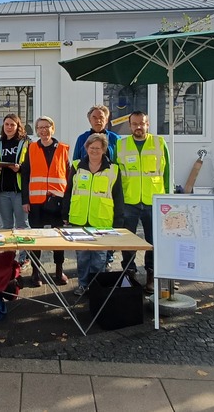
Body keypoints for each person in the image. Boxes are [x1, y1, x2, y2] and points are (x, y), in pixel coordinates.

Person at [116, 111, 170, 295]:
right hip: (129, 200)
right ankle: (129, 273)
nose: (138, 127)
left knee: (153, 241)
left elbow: (168, 172)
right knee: (128, 241)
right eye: (135, 124)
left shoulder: (159, 143)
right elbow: (116, 175)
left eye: (142, 123)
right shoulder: (121, 145)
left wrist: (167, 198)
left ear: (148, 124)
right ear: (129, 125)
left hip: (153, 200)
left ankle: (151, 276)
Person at [63, 133, 124, 296]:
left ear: (104, 149)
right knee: (82, 256)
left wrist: (118, 220)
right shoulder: (76, 165)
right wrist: (65, 214)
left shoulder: (114, 169)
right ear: (86, 148)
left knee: (99, 258)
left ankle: (98, 287)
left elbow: (118, 197)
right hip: (79, 218)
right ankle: (83, 285)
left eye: (98, 148)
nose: (94, 151)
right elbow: (68, 191)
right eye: (91, 147)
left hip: (102, 220)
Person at [21, 116, 70, 286]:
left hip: (57, 202)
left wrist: (67, 203)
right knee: (36, 239)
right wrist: (25, 200)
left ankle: (59, 270)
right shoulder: (32, 148)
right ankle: (35, 272)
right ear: (36, 130)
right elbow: (25, 175)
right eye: (40, 127)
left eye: (46, 127)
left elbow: (68, 177)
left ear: (52, 128)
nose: (43, 130)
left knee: (59, 238)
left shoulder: (63, 149)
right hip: (36, 202)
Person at [72, 105, 120, 269]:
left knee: (104, 239)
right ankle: (86, 276)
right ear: (89, 119)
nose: (98, 120)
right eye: (95, 117)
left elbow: (118, 166)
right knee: (84, 244)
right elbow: (76, 165)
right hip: (84, 198)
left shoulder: (115, 139)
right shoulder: (82, 138)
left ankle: (107, 261)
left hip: (105, 195)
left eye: (101, 117)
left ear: (107, 119)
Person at [0, 113, 30, 263]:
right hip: (2, 191)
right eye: (6, 124)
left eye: (12, 125)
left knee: (22, 226)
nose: (9, 127)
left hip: (19, 191)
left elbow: (29, 166)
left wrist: (19, 169)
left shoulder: (25, 143)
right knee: (6, 226)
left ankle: (24, 258)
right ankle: (8, 257)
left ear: (18, 126)